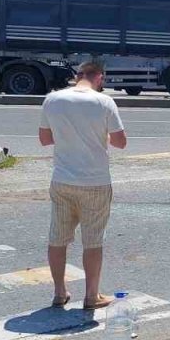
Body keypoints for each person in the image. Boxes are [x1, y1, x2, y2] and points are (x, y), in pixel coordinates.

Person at [38, 60, 127, 310]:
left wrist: (69, 135)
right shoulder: (104, 102)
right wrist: (99, 135)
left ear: (78, 76)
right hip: (95, 182)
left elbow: (45, 139)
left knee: (58, 238)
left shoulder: (52, 99)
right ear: (99, 77)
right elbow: (121, 142)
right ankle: (91, 296)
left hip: (62, 180)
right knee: (93, 241)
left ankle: (59, 292)